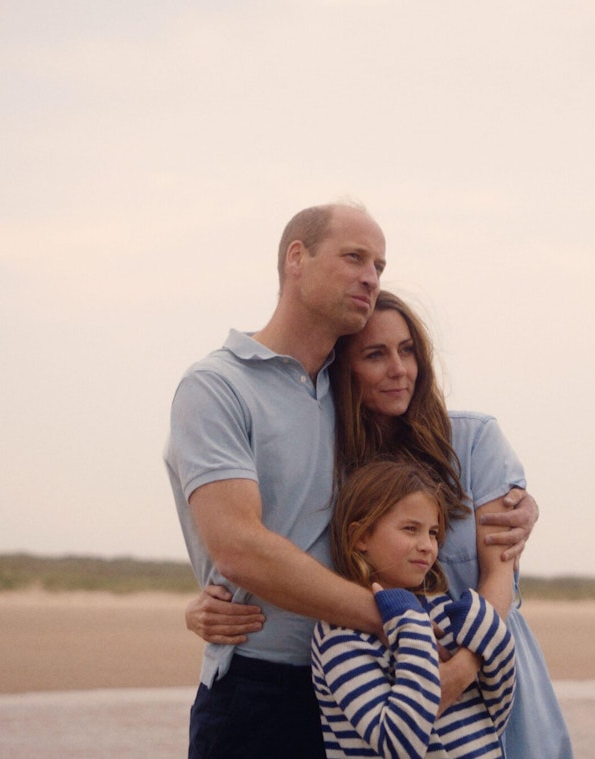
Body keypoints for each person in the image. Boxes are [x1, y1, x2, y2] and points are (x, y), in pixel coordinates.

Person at [165, 203, 538, 759]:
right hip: (262, 685)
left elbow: (428, 483)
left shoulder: (352, 404)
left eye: (380, 266)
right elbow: (239, 548)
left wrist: (521, 502)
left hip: (363, 689)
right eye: (354, 257)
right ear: (297, 258)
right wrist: (394, 618)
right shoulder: (217, 387)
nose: (371, 276)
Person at [312, 458, 515, 759]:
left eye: (433, 533)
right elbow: (398, 744)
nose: (427, 545)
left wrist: (488, 629)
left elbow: (496, 710)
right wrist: (410, 624)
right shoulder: (339, 635)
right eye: (411, 529)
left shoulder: (442, 609)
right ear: (360, 537)